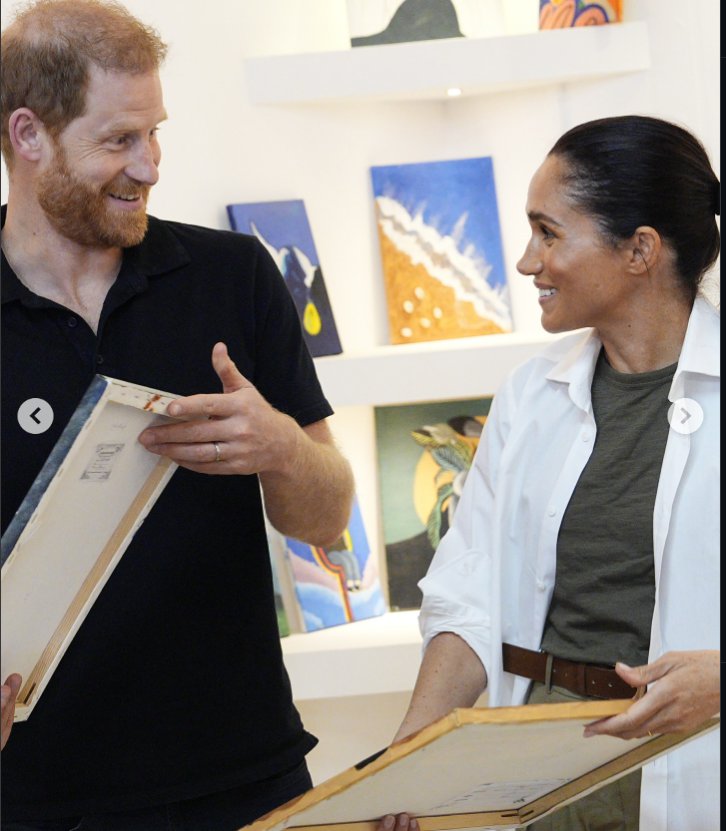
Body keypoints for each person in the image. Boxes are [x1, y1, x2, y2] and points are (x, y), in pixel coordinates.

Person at [0, 1, 355, 828]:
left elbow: (329, 518)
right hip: (35, 802)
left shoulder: (233, 276)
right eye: (119, 139)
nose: (151, 165)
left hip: (248, 781)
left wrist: (279, 449)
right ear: (28, 136)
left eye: (156, 132)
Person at [377, 115, 720, 831]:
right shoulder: (530, 397)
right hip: (542, 778)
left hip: (692, 777)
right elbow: (467, 597)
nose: (528, 261)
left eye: (549, 232)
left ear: (640, 251)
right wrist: (409, 751)